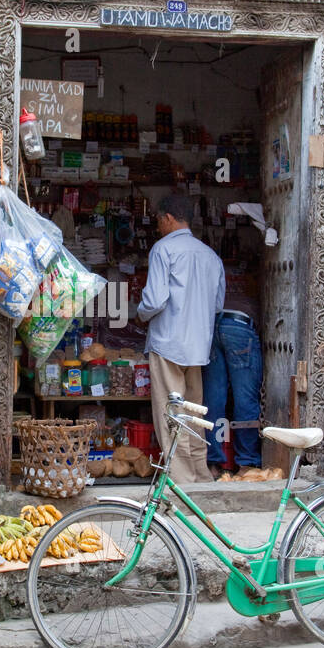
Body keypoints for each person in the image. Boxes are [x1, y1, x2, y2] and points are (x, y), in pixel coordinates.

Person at [137, 192, 225, 485]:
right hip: (198, 348)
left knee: (172, 415)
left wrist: (139, 312)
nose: (158, 227)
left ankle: (182, 482)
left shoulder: (163, 250)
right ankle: (200, 475)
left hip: (168, 344)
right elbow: (217, 305)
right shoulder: (210, 255)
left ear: (169, 218)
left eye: (159, 221)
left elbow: (155, 300)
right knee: (192, 415)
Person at [203, 303, 265, 481]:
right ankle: (246, 464)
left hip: (213, 325)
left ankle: (213, 464)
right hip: (240, 324)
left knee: (213, 399)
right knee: (245, 397)